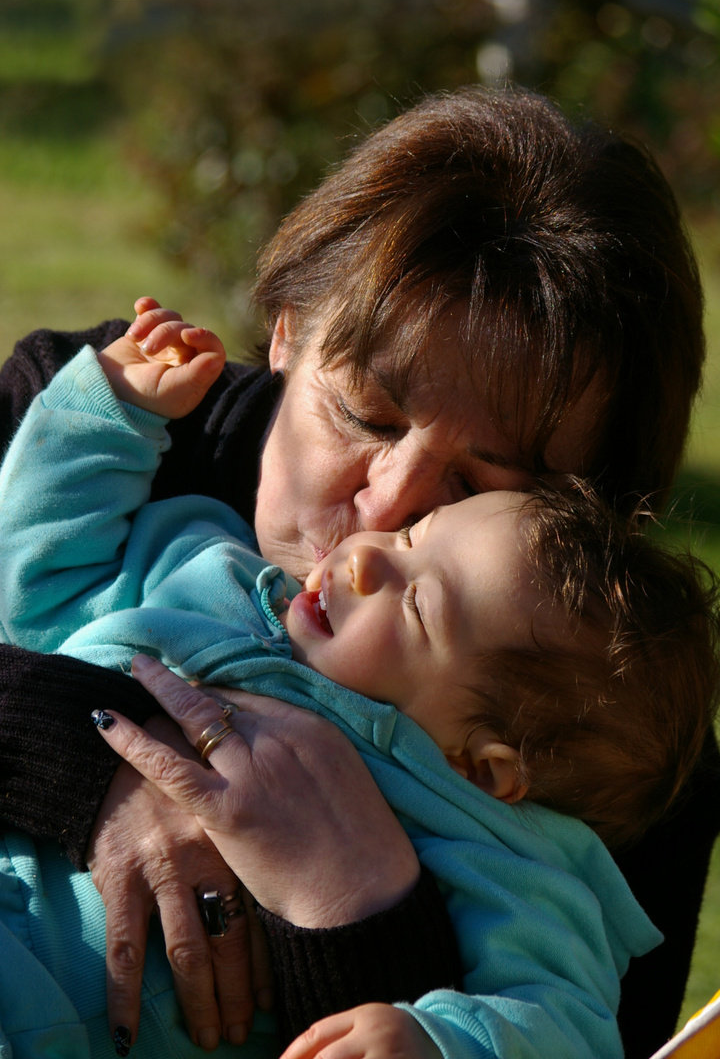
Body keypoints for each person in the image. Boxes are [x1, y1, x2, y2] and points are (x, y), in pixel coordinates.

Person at [0, 85, 716, 1059]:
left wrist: (350, 899)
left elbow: (570, 1023)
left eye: (485, 485)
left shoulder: (607, 735)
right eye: (368, 418)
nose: (385, 514)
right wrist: (95, 767)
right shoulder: (121, 437)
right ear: (288, 332)